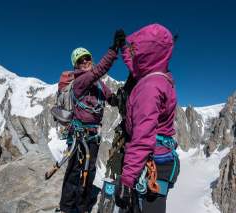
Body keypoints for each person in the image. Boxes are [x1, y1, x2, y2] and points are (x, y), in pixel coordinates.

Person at [114, 24, 180, 213]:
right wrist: (124, 50)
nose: (136, 55)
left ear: (149, 53)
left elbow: (143, 137)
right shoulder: (160, 76)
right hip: (160, 160)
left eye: (138, 50)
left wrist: (127, 180)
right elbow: (137, 68)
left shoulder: (149, 88)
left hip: (150, 163)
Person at [59, 35, 122, 213]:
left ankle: (83, 207)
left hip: (93, 136)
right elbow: (99, 70)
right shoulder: (81, 81)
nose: (85, 61)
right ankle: (66, 208)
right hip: (78, 135)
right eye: (81, 60)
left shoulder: (99, 84)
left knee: (90, 171)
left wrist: (117, 99)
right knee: (74, 172)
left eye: (87, 58)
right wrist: (113, 51)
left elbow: (109, 97)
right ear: (76, 65)